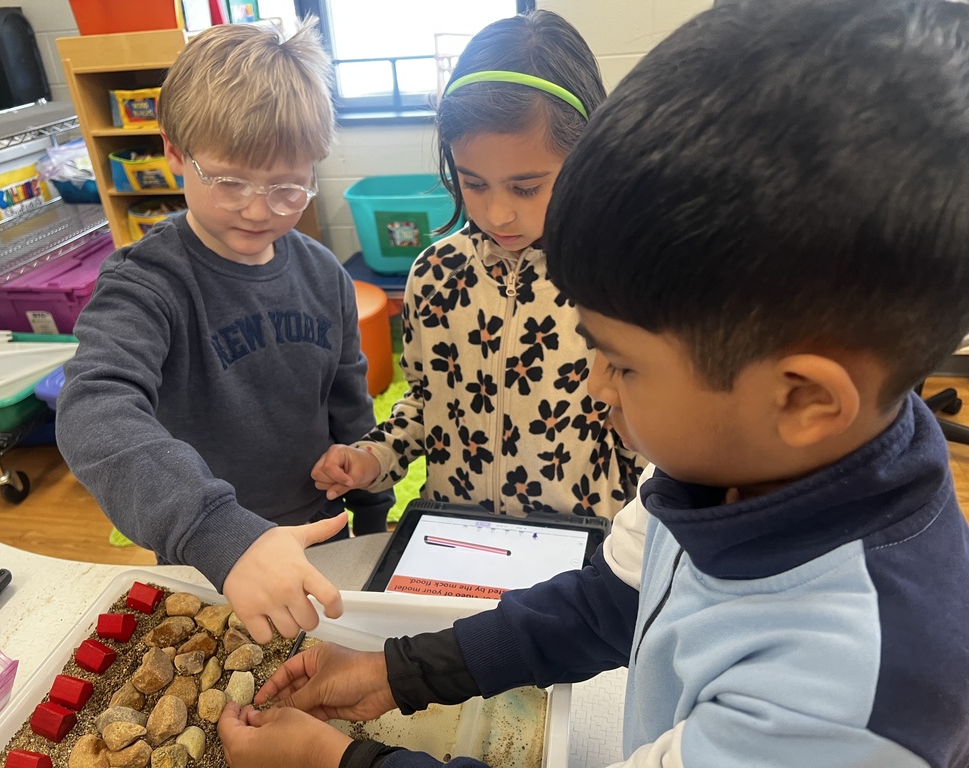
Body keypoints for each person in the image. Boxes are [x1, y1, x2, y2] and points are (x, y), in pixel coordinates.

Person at [217, 0, 969, 764]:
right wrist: (395, 673)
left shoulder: (849, 705)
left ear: (804, 397)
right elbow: (609, 602)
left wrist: (335, 760)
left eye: (624, 363)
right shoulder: (720, 472)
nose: (598, 388)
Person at [55, 21, 393, 644]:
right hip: (209, 554)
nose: (259, 209)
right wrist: (217, 533)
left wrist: (369, 494)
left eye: (287, 187)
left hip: (322, 539)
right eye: (230, 182)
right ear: (176, 153)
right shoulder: (147, 282)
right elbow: (93, 410)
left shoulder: (324, 275)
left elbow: (352, 409)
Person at [310, 10, 644, 521]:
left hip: (582, 547)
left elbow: (650, 441)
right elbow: (425, 405)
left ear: (587, 157)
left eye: (527, 187)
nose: (497, 213)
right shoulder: (435, 275)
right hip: (458, 536)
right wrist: (372, 457)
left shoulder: (619, 280)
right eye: (473, 182)